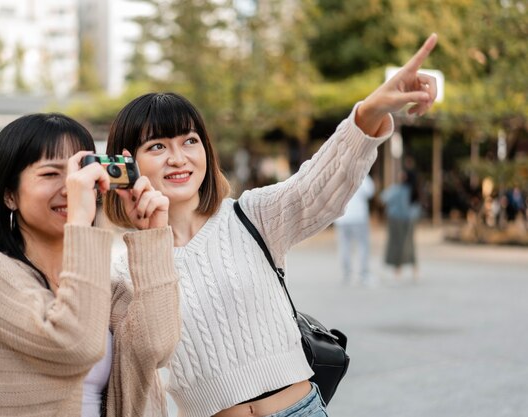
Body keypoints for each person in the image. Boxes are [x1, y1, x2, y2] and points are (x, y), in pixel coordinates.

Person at [104, 34, 438, 417]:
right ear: (128, 163)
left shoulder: (250, 217)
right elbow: (137, 365)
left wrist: (370, 111)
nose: (178, 158)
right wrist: (149, 239)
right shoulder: (123, 271)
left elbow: (319, 187)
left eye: (190, 141)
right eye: (157, 147)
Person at [0, 113, 181, 417]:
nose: (71, 188)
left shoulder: (103, 285)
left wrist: (152, 235)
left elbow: (157, 346)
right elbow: (75, 345)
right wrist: (81, 222)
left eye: (79, 173)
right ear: (9, 195)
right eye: (50, 174)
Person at [333, 175, 375, 286]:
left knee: (344, 246)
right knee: (362, 246)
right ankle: (363, 274)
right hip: (358, 217)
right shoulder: (361, 174)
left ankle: (346, 273)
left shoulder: (339, 175)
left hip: (342, 218)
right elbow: (370, 191)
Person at [380, 169, 419, 279]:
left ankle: (398, 269)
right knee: (409, 244)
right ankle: (412, 268)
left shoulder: (397, 189)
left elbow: (384, 197)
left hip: (396, 220)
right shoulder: (413, 190)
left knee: (397, 244)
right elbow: (415, 208)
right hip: (409, 221)